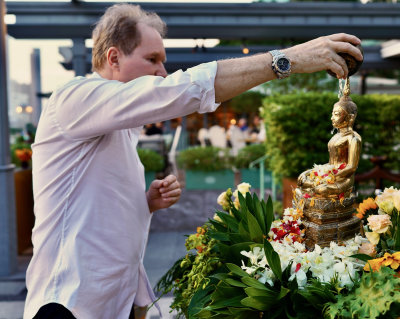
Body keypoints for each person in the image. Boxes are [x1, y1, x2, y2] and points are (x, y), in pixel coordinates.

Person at [24, 3, 363, 319]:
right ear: (114, 57)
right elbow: (176, 90)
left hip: (111, 306)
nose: (162, 71)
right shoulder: (73, 98)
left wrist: (144, 205)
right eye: (153, 59)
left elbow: (94, 219)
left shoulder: (121, 126)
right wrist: (286, 59)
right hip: (66, 306)